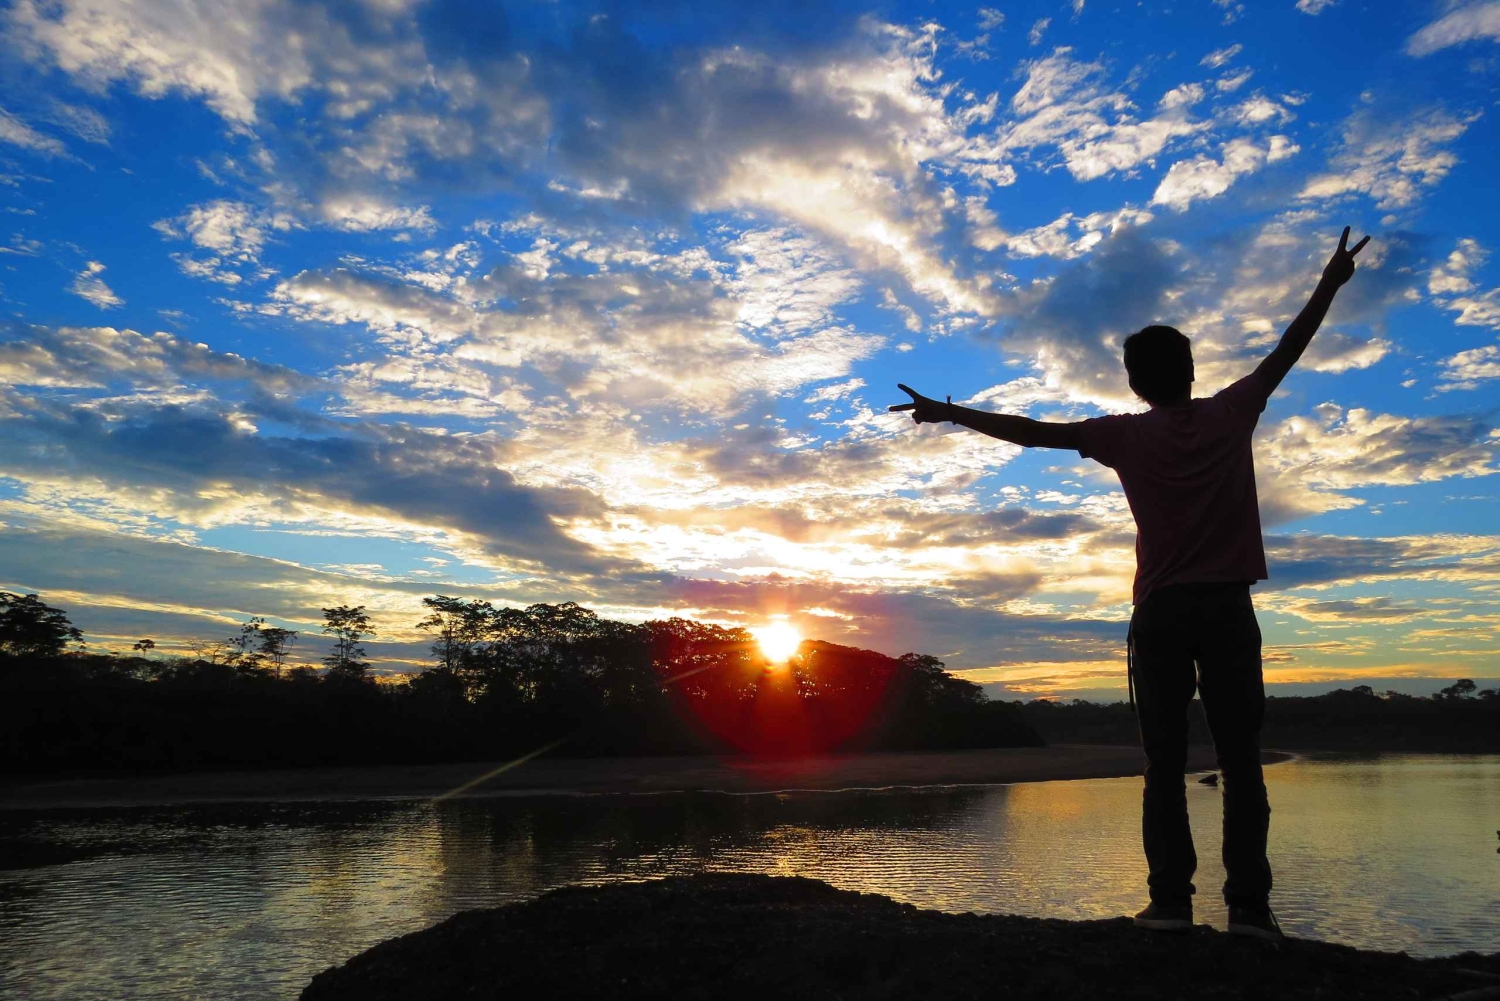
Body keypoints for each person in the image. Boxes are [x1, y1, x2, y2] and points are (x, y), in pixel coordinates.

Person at [890, 226, 1371, 941]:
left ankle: (1172, 904)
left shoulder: (1121, 435)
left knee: (1164, 763)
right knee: (1241, 760)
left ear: (1134, 381)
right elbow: (1285, 353)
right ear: (1192, 368)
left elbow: (1031, 431)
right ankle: (1247, 910)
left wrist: (952, 412)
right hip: (1228, 606)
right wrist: (1328, 284)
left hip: (1164, 613)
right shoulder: (1232, 411)